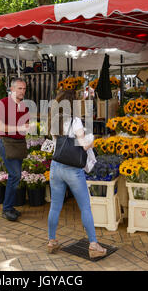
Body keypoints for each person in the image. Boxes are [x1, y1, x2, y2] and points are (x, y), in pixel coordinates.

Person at [47, 89, 107, 258]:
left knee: (55, 206)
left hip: (56, 166)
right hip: (73, 169)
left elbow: (56, 142)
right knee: (85, 207)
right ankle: (93, 245)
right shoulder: (75, 121)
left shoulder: (54, 121)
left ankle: (51, 241)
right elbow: (84, 145)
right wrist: (93, 139)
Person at [0, 78, 31, 221]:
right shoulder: (3, 103)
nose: (23, 91)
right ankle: (7, 208)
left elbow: (25, 126)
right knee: (15, 175)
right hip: (6, 142)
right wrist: (19, 128)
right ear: (12, 89)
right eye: (20, 88)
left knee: (16, 175)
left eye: (24, 89)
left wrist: (27, 128)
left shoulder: (24, 106)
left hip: (19, 142)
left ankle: (9, 206)